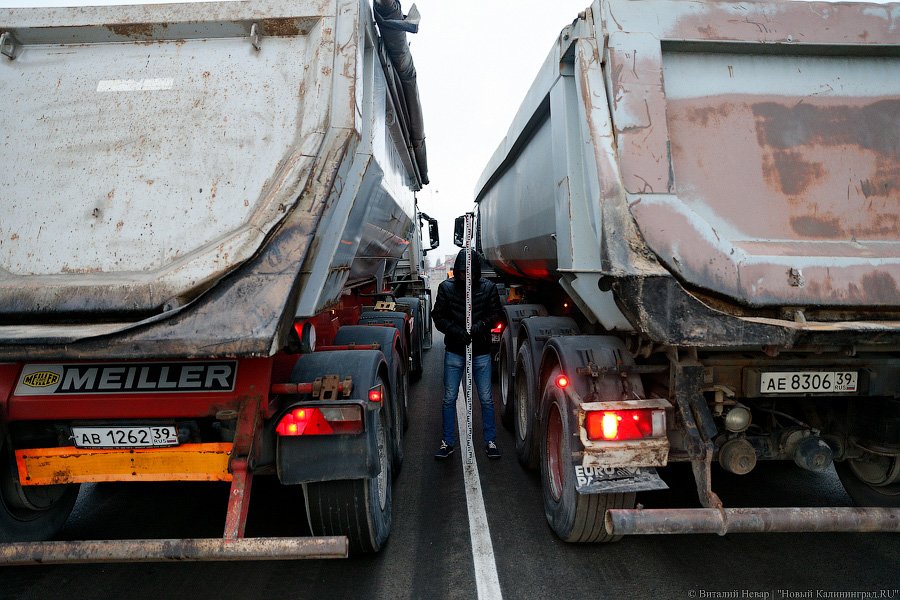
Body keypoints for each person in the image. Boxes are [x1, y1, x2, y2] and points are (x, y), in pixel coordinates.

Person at [431, 249, 503, 459]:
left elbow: (496, 314)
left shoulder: (488, 288)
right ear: (457, 271)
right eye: (463, 272)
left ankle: (490, 441)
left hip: (480, 351)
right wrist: (457, 332)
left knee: (486, 398)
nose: (466, 276)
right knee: (449, 397)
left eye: (470, 272)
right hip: (454, 350)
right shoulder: (446, 288)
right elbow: (438, 316)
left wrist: (480, 327)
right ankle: (447, 442)